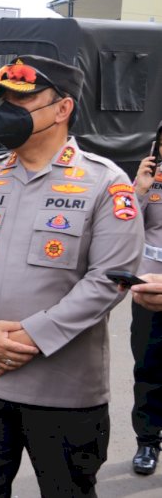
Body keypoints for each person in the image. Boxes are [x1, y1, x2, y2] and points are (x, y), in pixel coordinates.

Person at [0, 55, 144, 497]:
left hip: (63, 393)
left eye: (21, 99)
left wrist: (30, 336)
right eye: (4, 99)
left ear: (62, 108)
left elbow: (110, 280)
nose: (7, 109)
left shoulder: (105, 184)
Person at [128, 121, 162, 474]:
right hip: (148, 292)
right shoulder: (149, 184)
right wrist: (139, 188)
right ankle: (148, 442)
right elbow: (122, 225)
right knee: (148, 368)